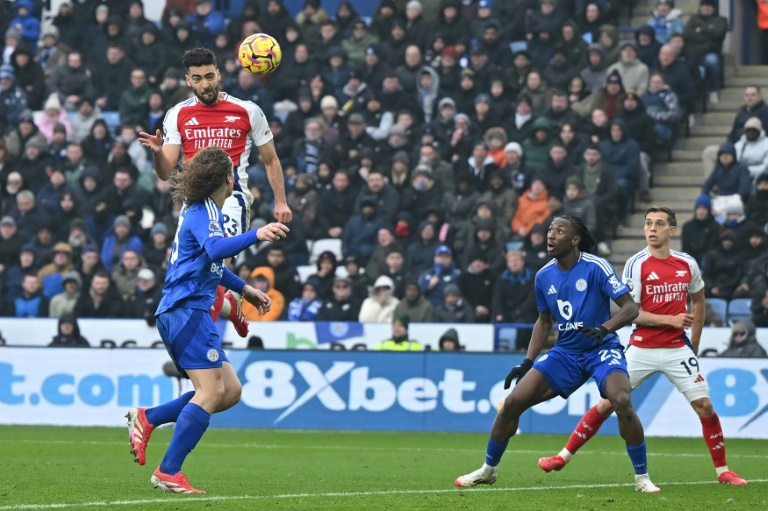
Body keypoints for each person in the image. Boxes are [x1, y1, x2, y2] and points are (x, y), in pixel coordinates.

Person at [538, 207, 747, 487]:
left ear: (672, 231)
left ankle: (724, 472)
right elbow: (632, 311)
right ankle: (563, 456)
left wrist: (693, 342)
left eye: (659, 224)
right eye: (648, 223)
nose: (652, 228)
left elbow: (698, 301)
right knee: (608, 403)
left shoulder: (687, 264)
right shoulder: (637, 264)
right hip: (642, 347)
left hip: (677, 348)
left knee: (705, 406)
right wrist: (670, 319)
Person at [124, 146, 287, 493]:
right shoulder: (201, 211)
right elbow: (215, 250)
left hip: (188, 310)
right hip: (186, 311)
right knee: (211, 391)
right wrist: (257, 233)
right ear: (228, 177)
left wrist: (244, 288)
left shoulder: (205, 210)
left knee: (229, 391)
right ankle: (168, 471)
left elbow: (210, 264)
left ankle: (148, 417)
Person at [455, 216, 658, 492]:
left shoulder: (595, 266)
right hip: (566, 352)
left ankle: (642, 478)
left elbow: (630, 308)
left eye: (559, 231)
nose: (551, 235)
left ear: (574, 240)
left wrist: (604, 328)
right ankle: (488, 470)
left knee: (621, 400)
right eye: (550, 230)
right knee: (512, 403)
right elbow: (544, 321)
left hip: (601, 349)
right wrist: (527, 361)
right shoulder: (543, 275)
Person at [138, 47, 292, 336]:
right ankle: (229, 305)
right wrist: (158, 153)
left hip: (231, 198)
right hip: (194, 204)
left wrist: (280, 201)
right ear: (188, 80)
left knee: (215, 258)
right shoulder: (177, 114)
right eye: (198, 78)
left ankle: (202, 338)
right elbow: (166, 172)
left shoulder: (247, 110)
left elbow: (271, 159)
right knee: (191, 273)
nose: (205, 84)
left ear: (219, 74)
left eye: (210, 76)